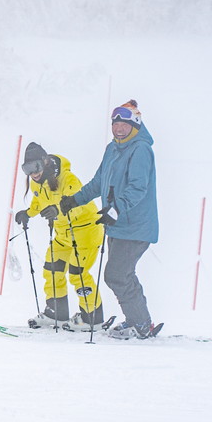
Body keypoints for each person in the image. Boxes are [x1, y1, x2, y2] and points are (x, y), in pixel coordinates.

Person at [59, 100, 158, 339]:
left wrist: (115, 210)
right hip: (117, 225)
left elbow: (138, 187)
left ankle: (141, 324)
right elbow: (98, 182)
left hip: (135, 224)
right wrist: (75, 200)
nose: (119, 128)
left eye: (124, 124)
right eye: (115, 124)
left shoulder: (140, 149)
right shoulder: (112, 149)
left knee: (116, 274)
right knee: (121, 274)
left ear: (135, 125)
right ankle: (138, 321)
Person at [13, 142, 104, 329]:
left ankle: (91, 318)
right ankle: (56, 313)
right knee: (52, 269)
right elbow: (39, 201)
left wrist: (57, 211)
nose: (33, 173)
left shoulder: (67, 178)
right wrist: (28, 213)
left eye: (35, 167)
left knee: (78, 274)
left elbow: (78, 205)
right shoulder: (36, 182)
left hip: (85, 230)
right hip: (63, 234)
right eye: (27, 169)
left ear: (45, 162)